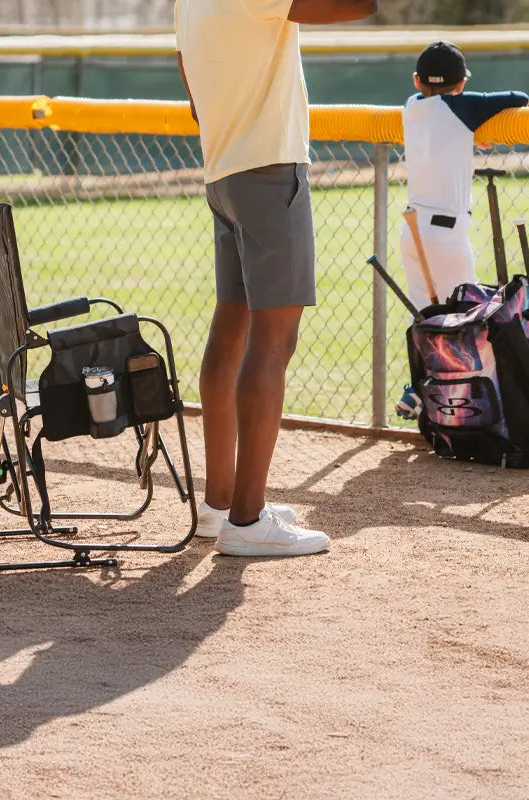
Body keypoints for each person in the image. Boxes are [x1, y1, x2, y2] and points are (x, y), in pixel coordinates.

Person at [175, 0, 378, 557]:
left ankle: (221, 505)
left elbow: (184, 65)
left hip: (225, 171)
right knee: (274, 342)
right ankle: (247, 519)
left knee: (231, 329)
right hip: (268, 168)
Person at [395, 40, 528, 420]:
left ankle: (419, 388)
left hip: (413, 229)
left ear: (417, 80)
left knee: (425, 316)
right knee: (473, 321)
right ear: (461, 84)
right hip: (447, 233)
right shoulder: (460, 105)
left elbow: (441, 118)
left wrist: (467, 130)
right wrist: (473, 124)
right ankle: (481, 408)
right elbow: (517, 95)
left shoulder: (410, 105)